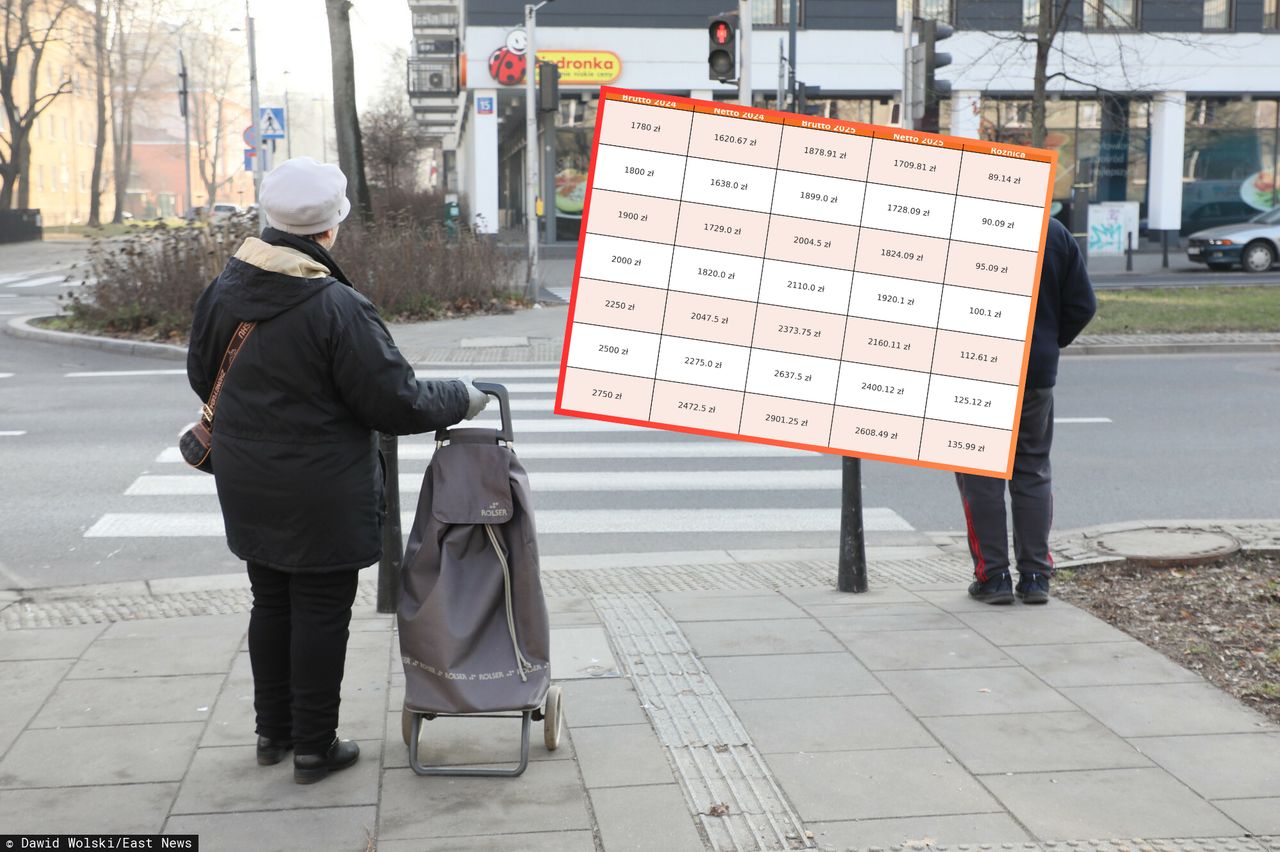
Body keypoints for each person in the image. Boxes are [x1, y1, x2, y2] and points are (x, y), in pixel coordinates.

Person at [186, 157, 490, 783]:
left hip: (245, 475)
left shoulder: (225, 288)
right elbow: (394, 401)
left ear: (269, 218)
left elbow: (201, 374)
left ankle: (274, 732)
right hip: (322, 487)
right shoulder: (334, 305)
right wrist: (463, 396)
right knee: (322, 607)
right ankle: (314, 747)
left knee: (270, 599)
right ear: (330, 229)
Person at [958, 216, 1096, 605]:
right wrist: (1048, 342)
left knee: (980, 475)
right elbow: (1083, 305)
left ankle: (993, 577)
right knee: (1032, 467)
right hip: (1035, 374)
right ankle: (1035, 576)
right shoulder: (1054, 233)